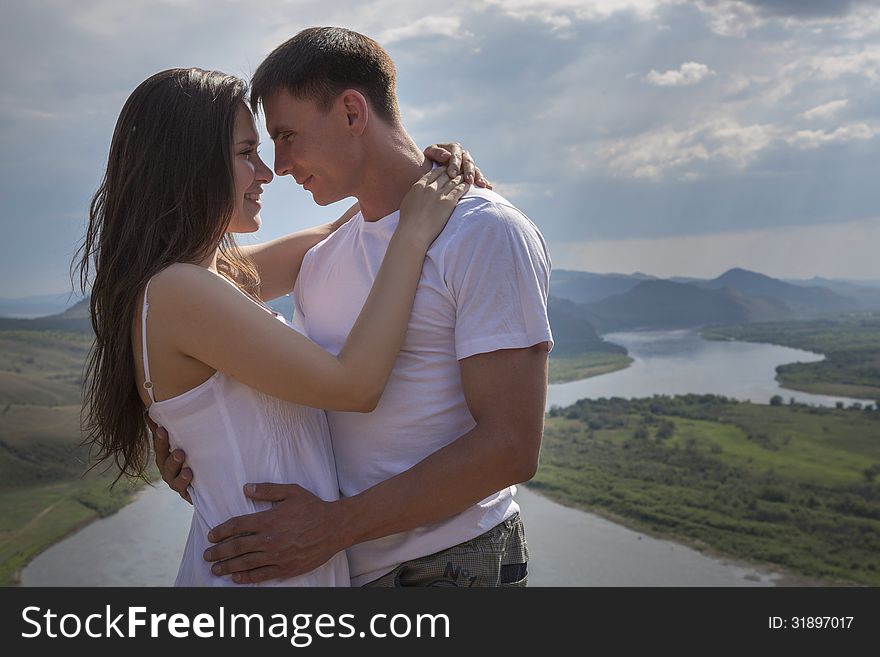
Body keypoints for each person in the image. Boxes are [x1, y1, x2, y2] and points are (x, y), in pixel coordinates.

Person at [157, 27, 553, 588]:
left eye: (288, 135)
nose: (281, 164)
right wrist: (188, 440)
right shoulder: (320, 257)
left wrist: (333, 528)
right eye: (265, 146)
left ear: (350, 112)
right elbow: (167, 306)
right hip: (342, 571)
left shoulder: (483, 232)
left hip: (449, 565)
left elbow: (511, 448)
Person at [74, 66, 479, 586]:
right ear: (188, 165)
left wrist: (428, 172)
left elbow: (341, 228)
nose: (267, 172)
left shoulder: (199, 282)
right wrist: (415, 233)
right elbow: (354, 385)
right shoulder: (180, 291)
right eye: (247, 153)